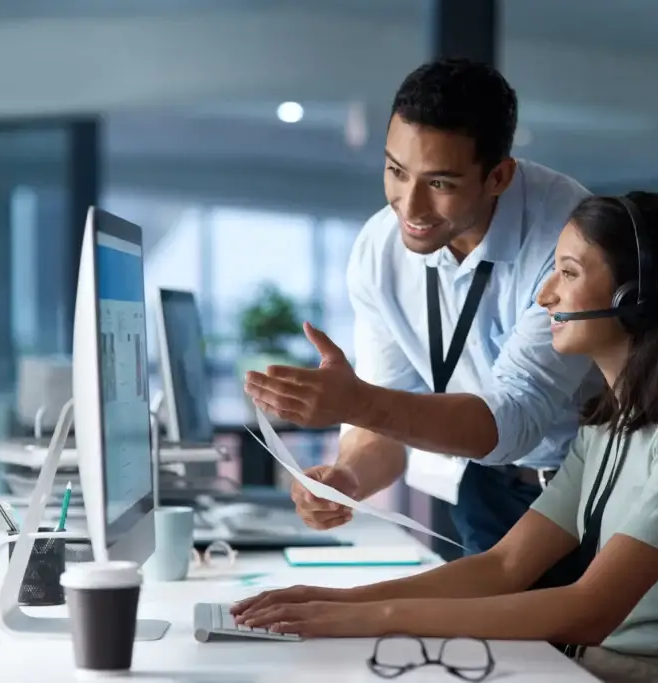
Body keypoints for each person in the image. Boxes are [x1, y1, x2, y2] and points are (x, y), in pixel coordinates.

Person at [231, 192, 658, 683]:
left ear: (636, 297)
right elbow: (505, 565)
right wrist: (335, 602)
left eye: (566, 272)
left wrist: (369, 619)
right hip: (592, 667)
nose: (545, 296)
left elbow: (592, 608)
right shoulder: (609, 422)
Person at [243, 57, 601, 565]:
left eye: (440, 184)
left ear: (497, 177)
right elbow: (388, 419)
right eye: (395, 171)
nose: (409, 208)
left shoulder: (568, 238)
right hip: (486, 487)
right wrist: (347, 478)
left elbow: (515, 421)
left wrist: (355, 402)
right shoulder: (379, 250)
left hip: (588, 497)